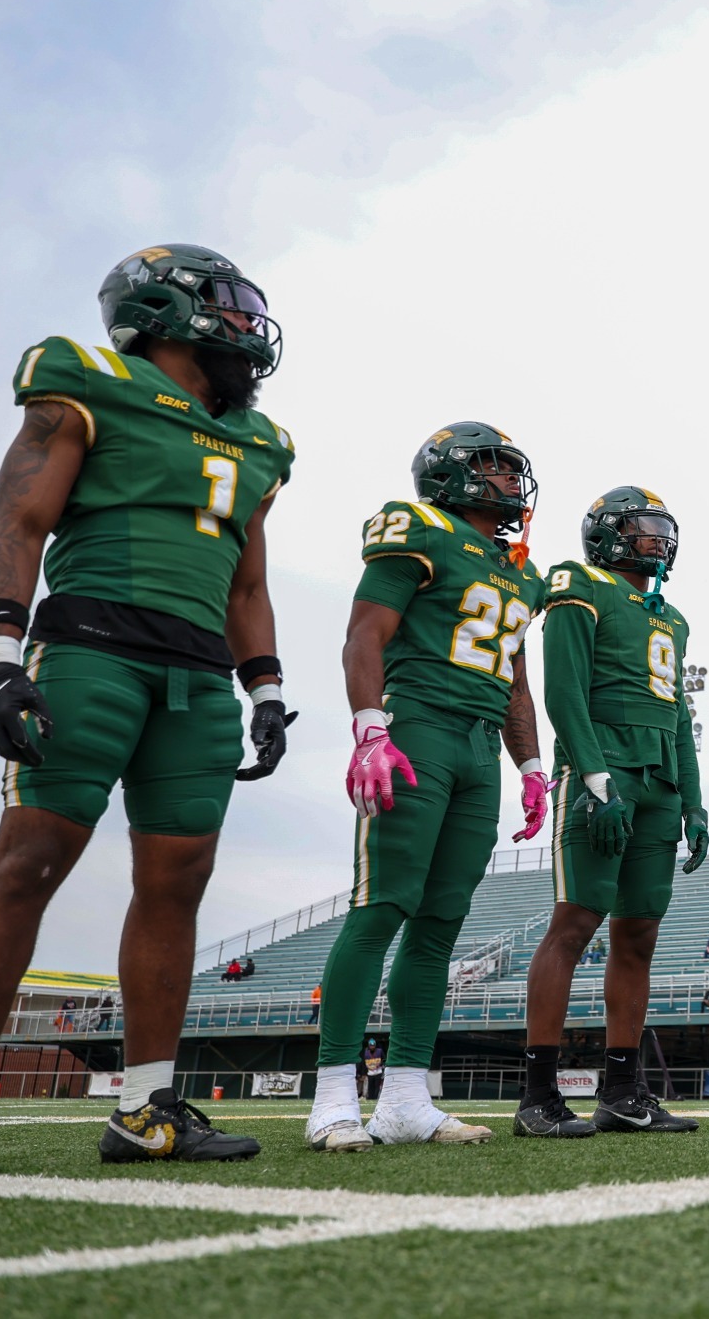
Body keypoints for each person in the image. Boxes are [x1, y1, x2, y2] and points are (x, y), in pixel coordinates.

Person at [0, 247, 293, 1172]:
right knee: (28, 861)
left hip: (198, 676)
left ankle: (146, 1109)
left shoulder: (259, 441)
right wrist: (0, 656)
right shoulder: (88, 382)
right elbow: (18, 522)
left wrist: (265, 687)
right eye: (229, 305)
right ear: (165, 308)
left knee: (177, 885)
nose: (247, 324)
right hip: (92, 648)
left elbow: (248, 582)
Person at [302, 423, 549, 1154]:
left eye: (512, 468)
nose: (510, 481)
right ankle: (333, 1097)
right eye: (494, 466)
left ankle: (406, 1098)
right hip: (417, 728)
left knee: (441, 923)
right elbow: (364, 633)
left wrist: (531, 766)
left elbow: (514, 678)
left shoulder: (520, 571)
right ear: (452, 473)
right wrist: (369, 729)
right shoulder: (417, 527)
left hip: (479, 746)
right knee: (382, 905)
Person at [514, 489, 707, 1137]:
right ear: (607, 533)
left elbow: (678, 717)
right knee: (573, 924)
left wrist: (693, 801)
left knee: (639, 936)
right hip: (603, 770)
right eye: (643, 526)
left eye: (661, 527)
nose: (657, 538)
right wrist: (595, 778)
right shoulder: (579, 584)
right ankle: (538, 1096)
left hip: (659, 784)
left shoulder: (671, 617)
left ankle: (622, 1092)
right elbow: (563, 692)